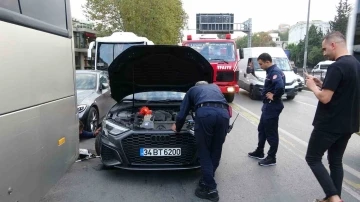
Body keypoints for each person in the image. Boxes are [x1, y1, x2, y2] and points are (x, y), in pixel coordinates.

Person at [305, 31, 360, 202]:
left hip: (329, 124)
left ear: (333, 45)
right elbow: (344, 89)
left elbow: (325, 98)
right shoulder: (356, 64)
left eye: (324, 49)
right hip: (348, 124)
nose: (324, 53)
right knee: (335, 161)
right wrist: (322, 84)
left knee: (313, 158)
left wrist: (312, 86)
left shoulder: (337, 66)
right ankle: (335, 198)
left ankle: (334, 198)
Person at [171, 81, 230, 202]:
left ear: (196, 86)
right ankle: (206, 180)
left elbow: (183, 113)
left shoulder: (192, 90)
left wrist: (177, 126)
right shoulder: (215, 87)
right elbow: (226, 104)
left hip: (205, 114)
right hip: (224, 114)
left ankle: (211, 189)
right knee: (216, 150)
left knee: (204, 151)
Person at [248, 53, 285, 166]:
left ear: (267, 62)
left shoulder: (274, 72)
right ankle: (260, 151)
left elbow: (280, 87)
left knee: (271, 132)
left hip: (272, 106)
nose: (260, 66)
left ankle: (271, 157)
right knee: (262, 129)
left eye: (261, 64)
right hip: (268, 106)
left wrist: (274, 96)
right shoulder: (270, 71)